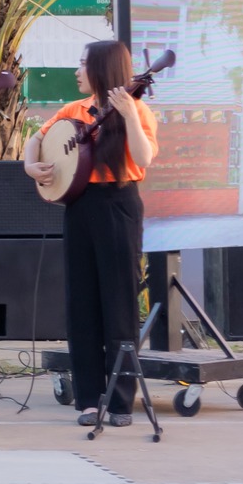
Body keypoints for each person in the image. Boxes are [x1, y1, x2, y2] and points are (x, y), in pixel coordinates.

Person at [25, 40, 157, 427]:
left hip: (118, 204)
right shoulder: (73, 110)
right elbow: (37, 138)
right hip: (80, 205)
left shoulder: (138, 109)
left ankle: (120, 402)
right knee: (81, 302)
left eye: (83, 64)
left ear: (102, 69)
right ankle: (87, 399)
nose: (77, 71)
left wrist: (128, 114)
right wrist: (31, 166)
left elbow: (145, 157)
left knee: (119, 302)